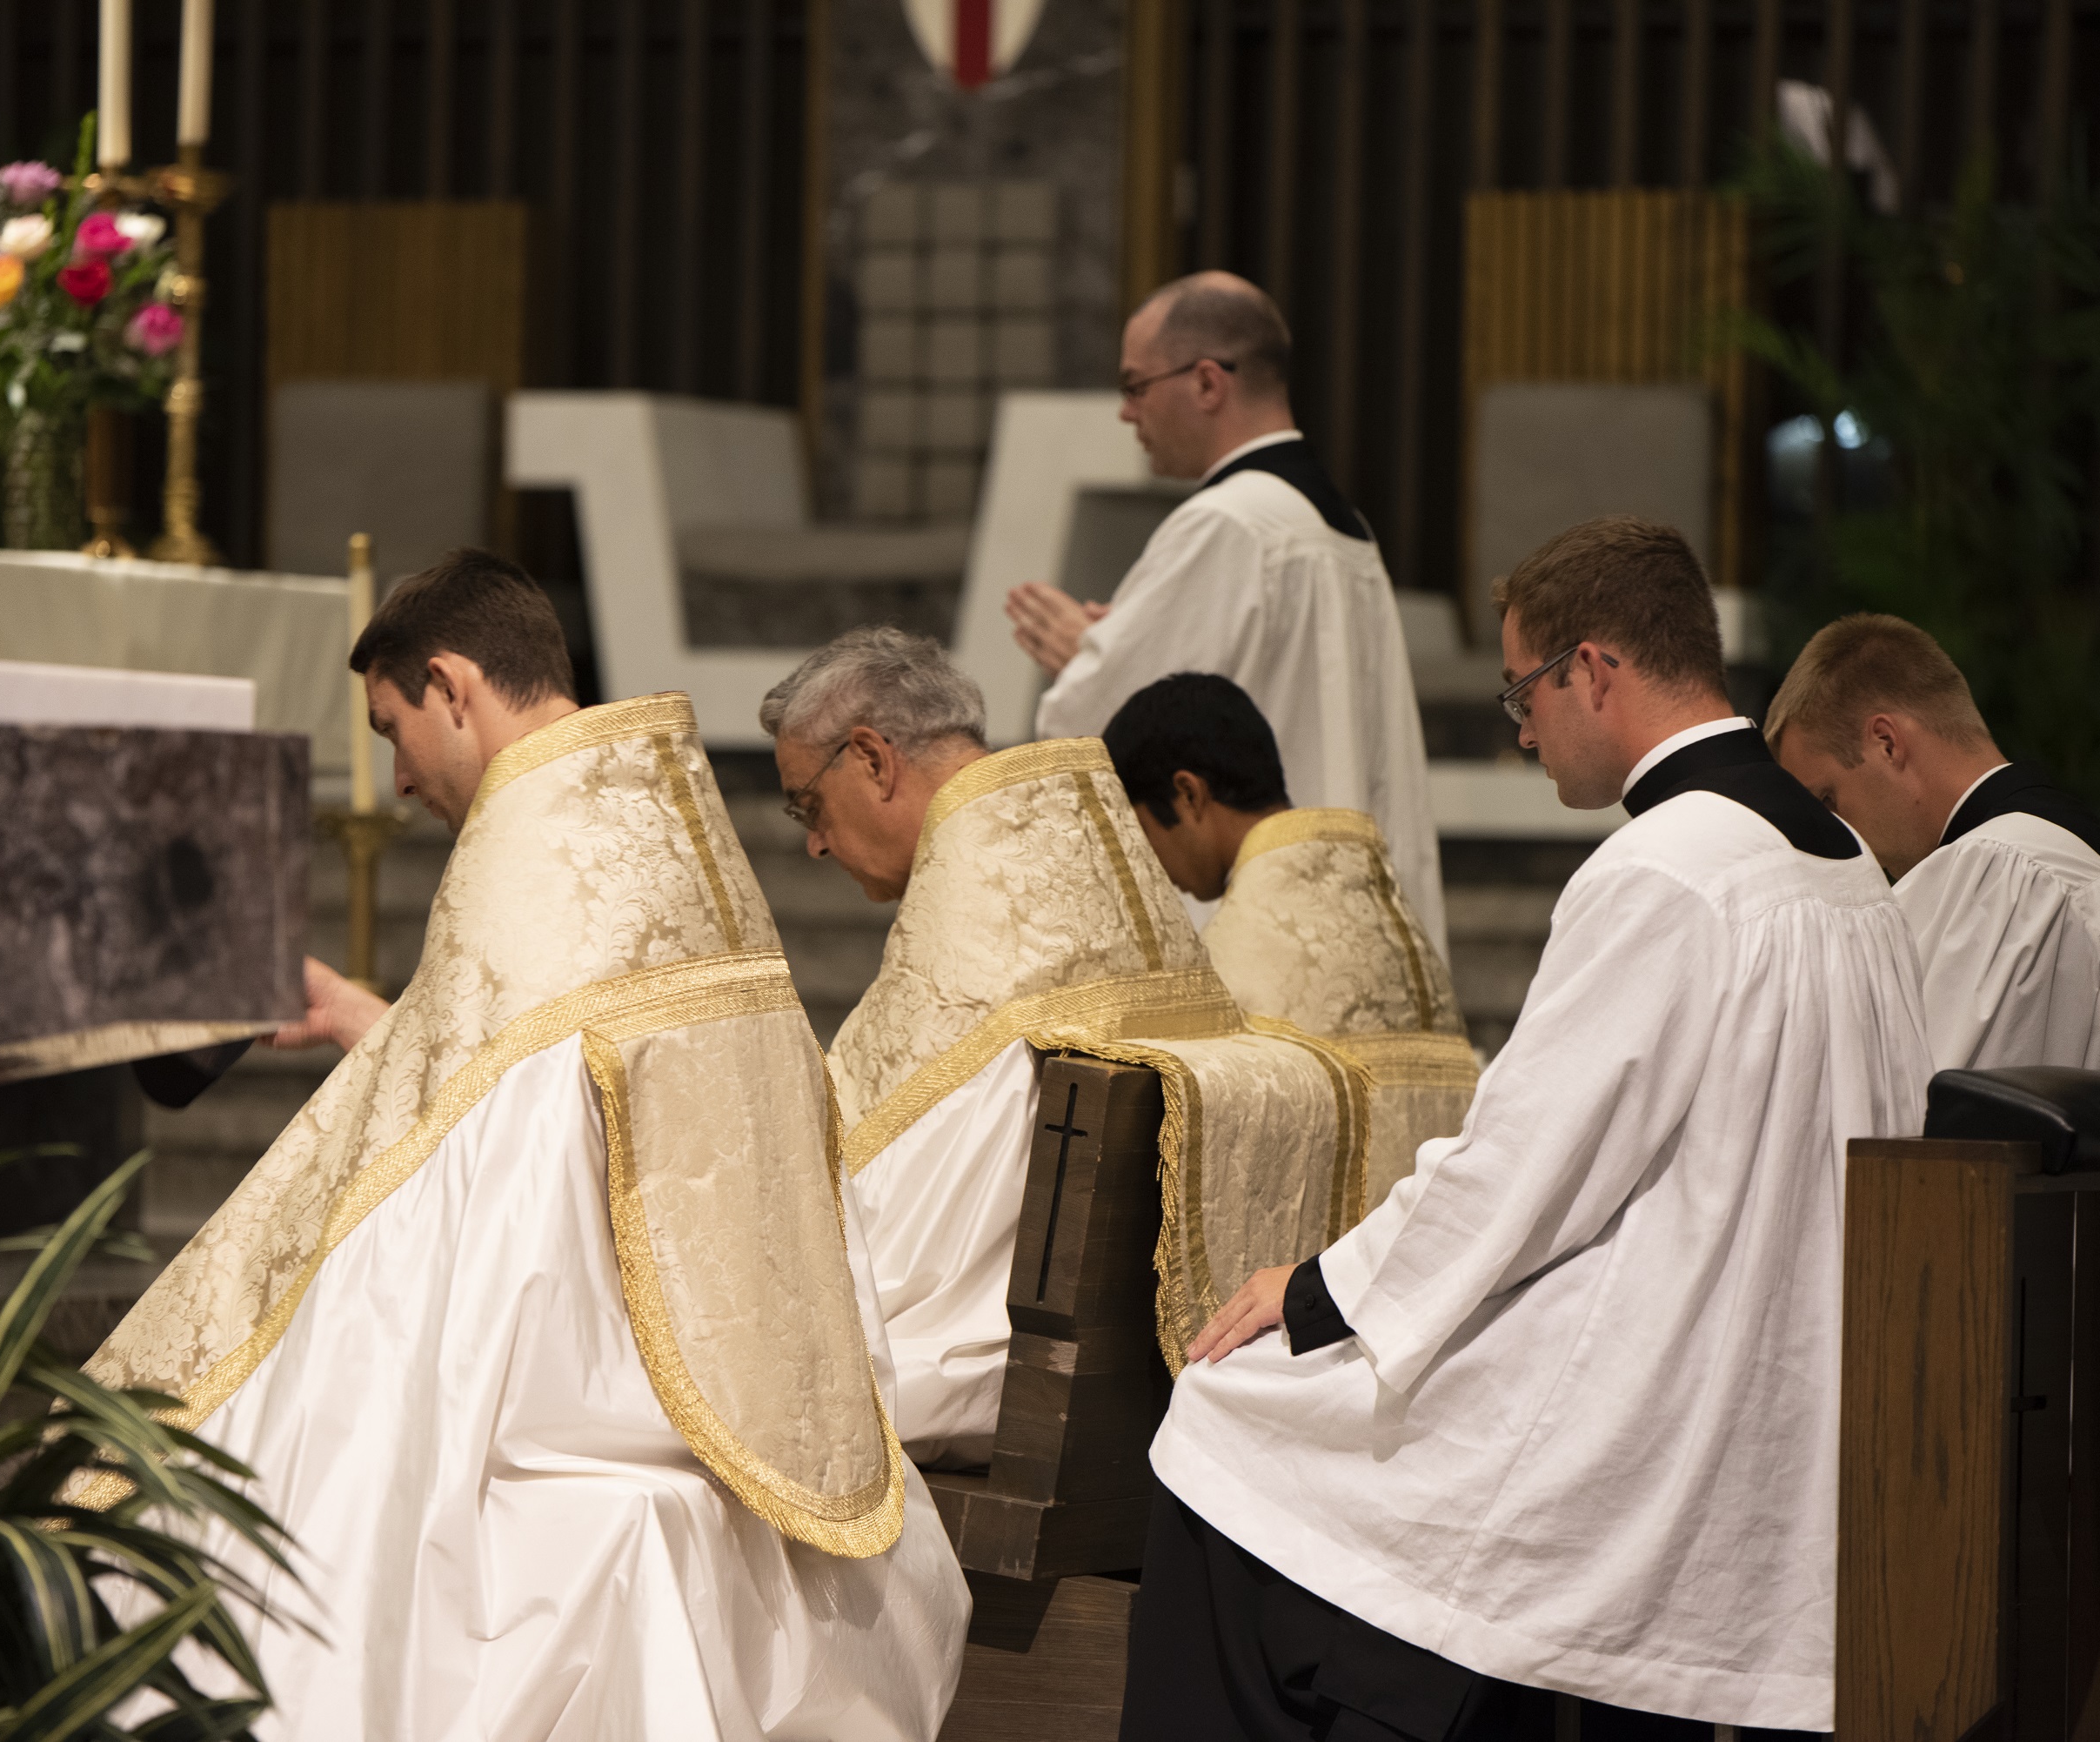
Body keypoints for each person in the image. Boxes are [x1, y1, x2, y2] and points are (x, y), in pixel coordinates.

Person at [84, 553, 967, 1740]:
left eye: (394, 730)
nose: (395, 780)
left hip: (576, 1409)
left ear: (453, 685)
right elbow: (551, 1082)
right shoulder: (654, 834)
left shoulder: (538, 858)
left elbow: (487, 1207)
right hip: (749, 1392)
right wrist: (366, 1019)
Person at [1128, 517, 1930, 1739]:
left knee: (1223, 1425)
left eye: (1524, 691)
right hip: (1789, 1395)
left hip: (1654, 1396)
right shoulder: (1849, 866)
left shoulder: (1665, 866)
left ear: (1594, 670)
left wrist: (1316, 1287)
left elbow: (1523, 1167)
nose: (1519, 727)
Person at [762, 626, 1358, 1462]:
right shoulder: (1098, 863)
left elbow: (864, 1246)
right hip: (1150, 1396)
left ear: (871, 758)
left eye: (806, 804)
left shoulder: (975, 949)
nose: (815, 842)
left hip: (1011, 1401)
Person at [1004, 271, 1444, 956]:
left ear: (1208, 383)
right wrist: (1114, 643)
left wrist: (1087, 659)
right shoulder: (1339, 522)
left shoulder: (1225, 525)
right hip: (1358, 910)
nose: (1126, 414)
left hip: (1266, 927)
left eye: (1134, 387)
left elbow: (1110, 722)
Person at [1103, 672, 1481, 1226]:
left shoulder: (1236, 953)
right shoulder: (1393, 922)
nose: (1152, 868)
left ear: (1188, 793)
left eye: (1140, 834)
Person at [1766, 613, 2100, 1087]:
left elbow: (1915, 1121)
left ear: (1887, 742)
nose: (1838, 834)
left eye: (1828, 800)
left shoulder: (1995, 875)